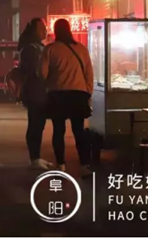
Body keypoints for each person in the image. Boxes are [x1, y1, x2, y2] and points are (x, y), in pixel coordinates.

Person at [40, 19, 94, 176]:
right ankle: (84, 165)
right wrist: (87, 92)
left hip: (58, 94)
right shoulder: (81, 49)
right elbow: (89, 73)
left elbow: (42, 74)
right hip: (78, 94)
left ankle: (61, 165)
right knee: (79, 131)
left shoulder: (50, 49)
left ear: (56, 31)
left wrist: (50, 84)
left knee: (58, 131)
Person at [18, 17, 54, 171]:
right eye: (41, 28)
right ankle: (34, 158)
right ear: (34, 31)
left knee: (38, 124)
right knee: (35, 124)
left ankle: (37, 157)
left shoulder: (38, 46)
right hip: (34, 92)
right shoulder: (30, 49)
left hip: (40, 92)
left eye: (45, 28)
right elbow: (37, 70)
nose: (45, 31)